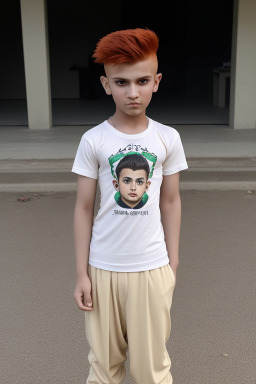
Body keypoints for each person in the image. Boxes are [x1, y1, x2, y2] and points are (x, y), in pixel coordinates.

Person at [72, 28, 188, 384]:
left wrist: (173, 260)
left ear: (156, 81)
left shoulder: (167, 137)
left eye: (142, 81)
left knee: (151, 368)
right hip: (102, 268)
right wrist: (81, 273)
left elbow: (170, 200)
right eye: (121, 82)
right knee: (103, 367)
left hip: (152, 268)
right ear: (106, 85)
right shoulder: (94, 139)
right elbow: (83, 208)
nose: (133, 92)